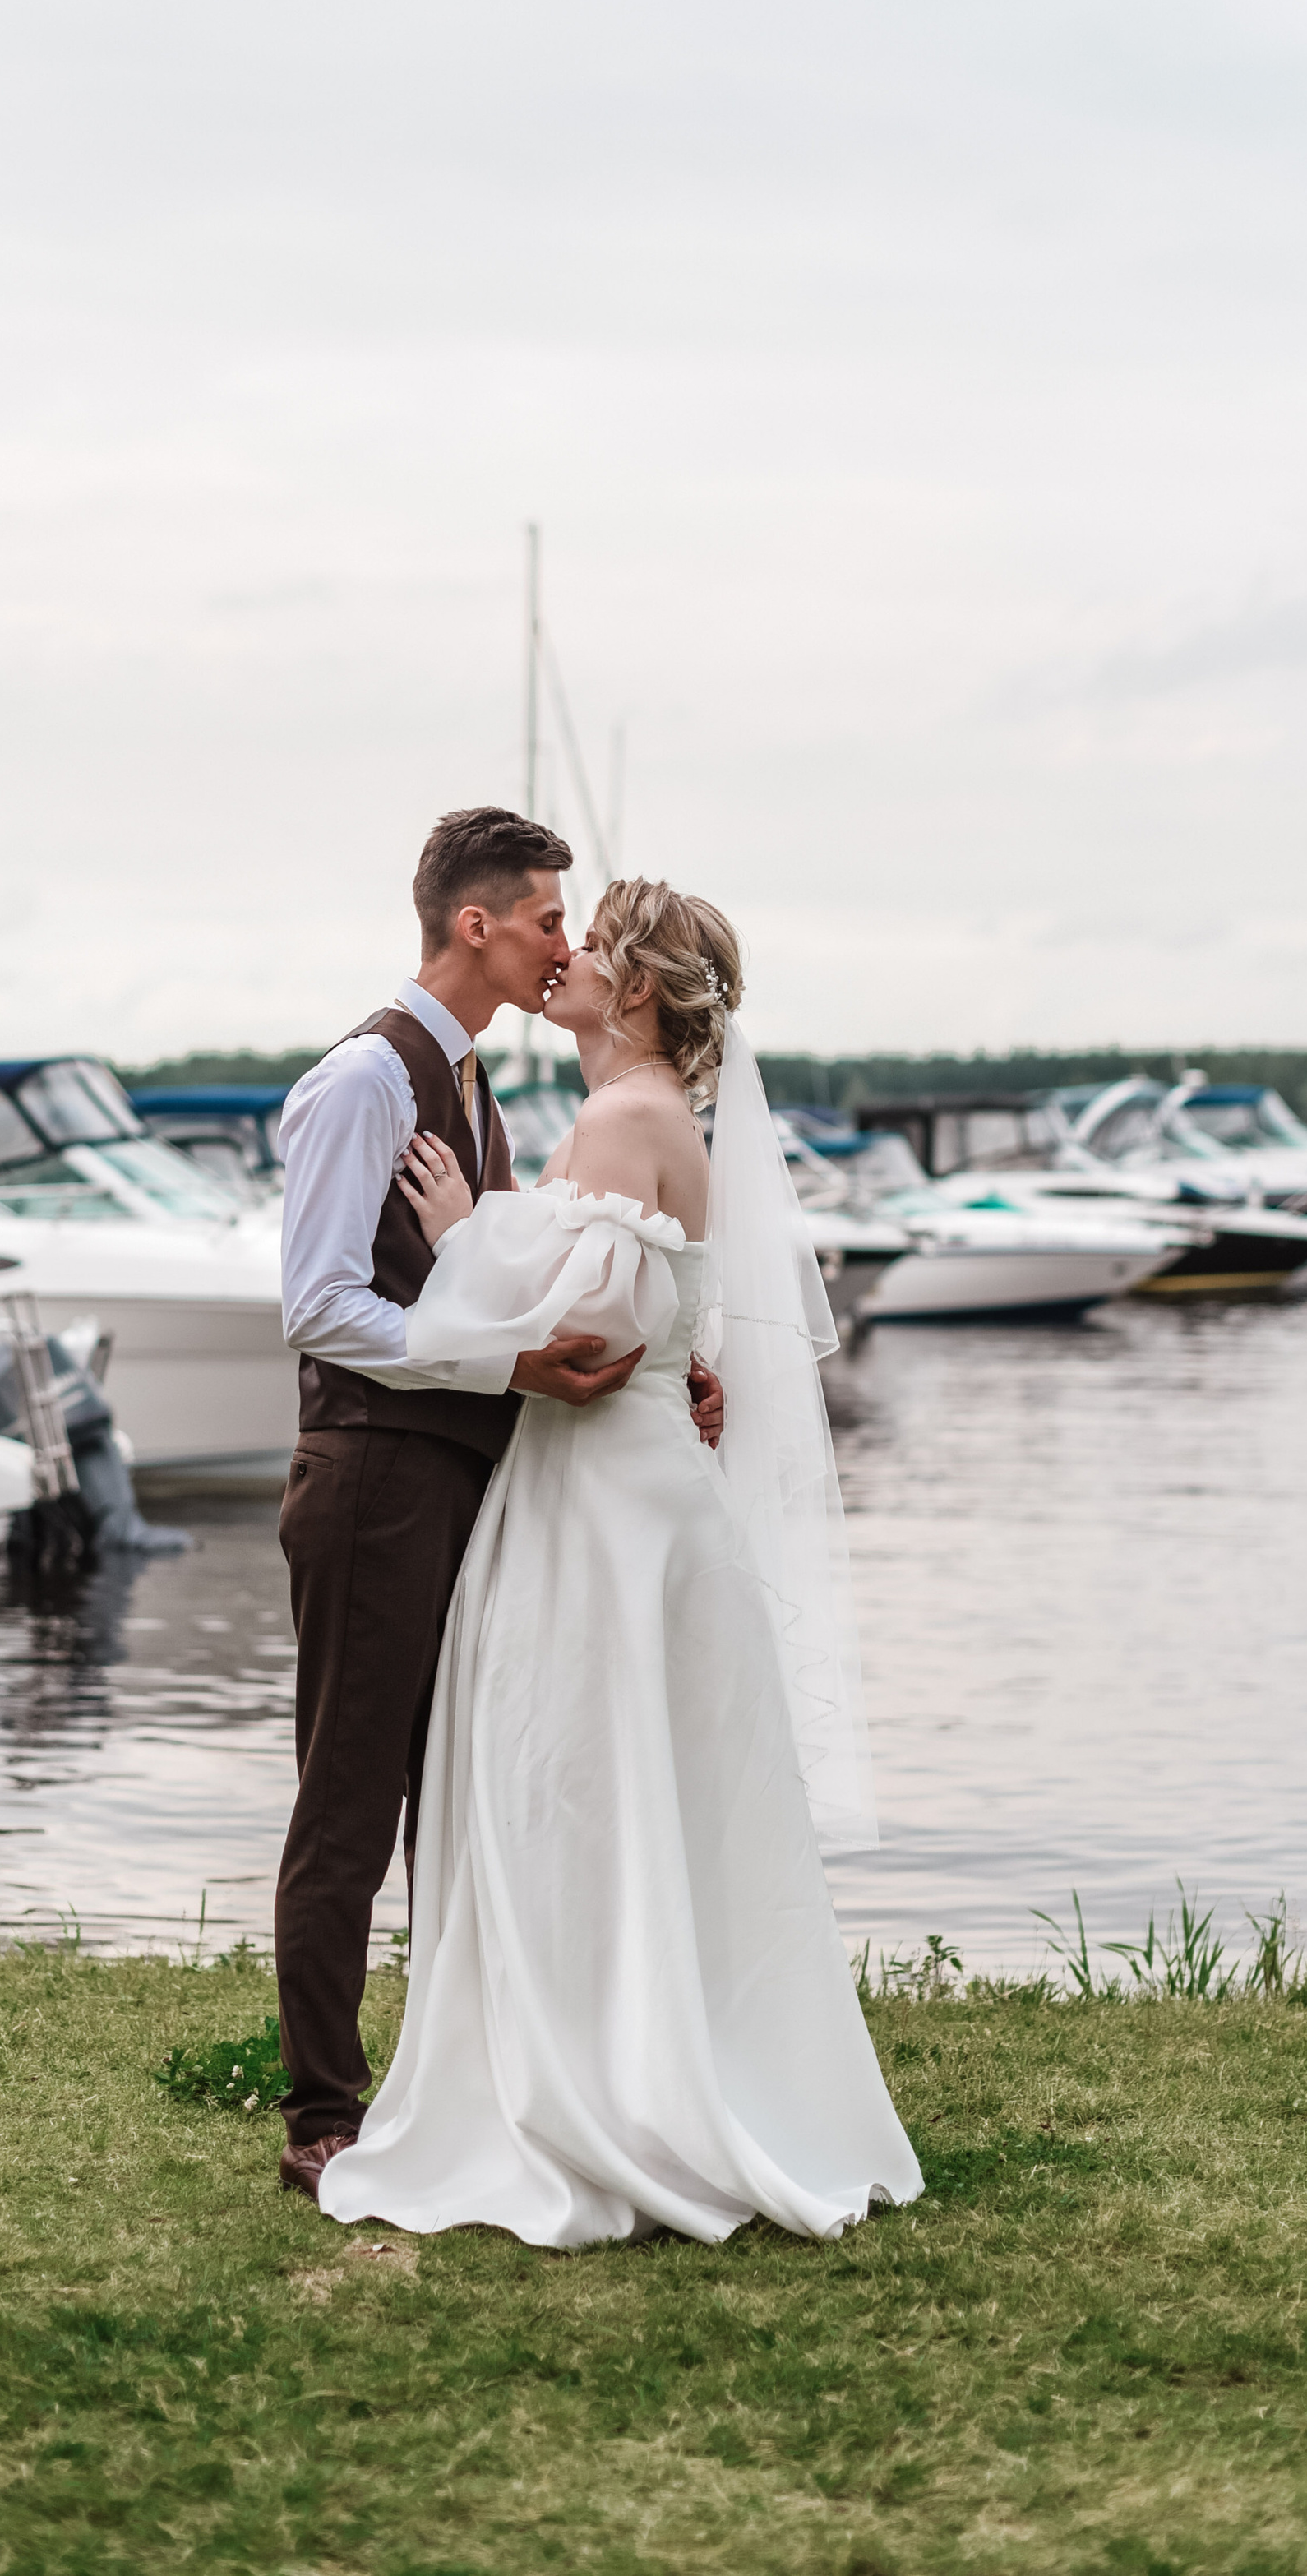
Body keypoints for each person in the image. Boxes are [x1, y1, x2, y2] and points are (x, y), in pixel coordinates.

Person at [318, 877, 921, 2248]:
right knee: (635, 1794)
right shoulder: (650, 1117)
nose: (568, 954)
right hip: (640, 1502)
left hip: (602, 1509)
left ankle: (597, 2090)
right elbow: (640, 1304)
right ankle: (647, 2054)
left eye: (590, 942)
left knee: (570, 1788)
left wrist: (463, 1235)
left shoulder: (620, 1116)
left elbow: (584, 1330)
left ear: (636, 985)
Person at [270, 809, 722, 2201]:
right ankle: (320, 2110)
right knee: (351, 1798)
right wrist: (508, 1364)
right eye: (545, 918)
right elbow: (319, 1304)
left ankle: (450, 2085)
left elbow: (540, 1283)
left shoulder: (481, 1096)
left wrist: (669, 1357)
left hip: (469, 1474)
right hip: (372, 1472)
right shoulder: (365, 1079)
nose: (562, 944)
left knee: (459, 1797)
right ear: (478, 925)